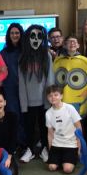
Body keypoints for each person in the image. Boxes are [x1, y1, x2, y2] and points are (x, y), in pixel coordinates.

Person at [19, 25, 54, 163]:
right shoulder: (23, 57)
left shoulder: (46, 55)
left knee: (44, 126)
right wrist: (24, 104)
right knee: (28, 127)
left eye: (39, 36)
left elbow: (50, 78)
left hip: (44, 100)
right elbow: (21, 82)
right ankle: (30, 150)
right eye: (33, 36)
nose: (36, 39)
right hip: (28, 101)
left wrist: (49, 100)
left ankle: (45, 148)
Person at [45, 85, 81, 174]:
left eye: (56, 95)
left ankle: (67, 160)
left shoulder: (70, 108)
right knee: (52, 167)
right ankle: (62, 160)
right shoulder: (48, 113)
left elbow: (78, 127)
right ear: (47, 98)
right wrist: (51, 149)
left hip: (71, 145)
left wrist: (79, 148)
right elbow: (50, 133)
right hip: (56, 144)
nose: (53, 97)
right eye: (50, 96)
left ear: (61, 96)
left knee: (67, 169)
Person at [0, 23, 25, 150]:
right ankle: (15, 143)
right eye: (12, 33)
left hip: (25, 89)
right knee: (14, 116)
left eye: (17, 33)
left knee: (25, 116)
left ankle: (24, 144)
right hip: (10, 89)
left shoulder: (26, 51)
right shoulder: (3, 53)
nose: (14, 35)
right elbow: (1, 71)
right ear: (8, 35)